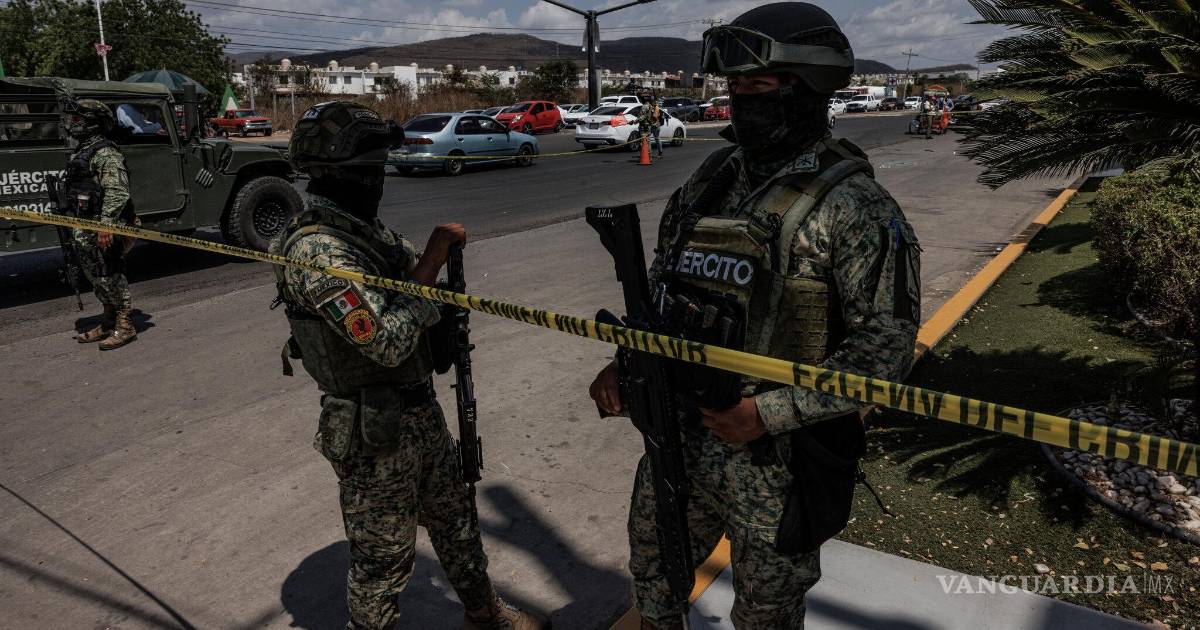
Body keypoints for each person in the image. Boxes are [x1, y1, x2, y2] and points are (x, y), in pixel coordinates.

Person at [589, 3, 921, 628]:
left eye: (758, 85)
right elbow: (664, 288)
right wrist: (626, 362)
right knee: (654, 578)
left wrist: (767, 413)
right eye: (735, 86)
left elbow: (887, 348)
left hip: (778, 461)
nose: (742, 100)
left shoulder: (855, 205)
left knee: (765, 613)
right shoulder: (712, 179)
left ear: (807, 88)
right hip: (679, 438)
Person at [271, 101, 548, 630]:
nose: (378, 181)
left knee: (456, 521)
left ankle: (484, 614)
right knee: (382, 561)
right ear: (333, 174)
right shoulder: (318, 252)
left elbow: (409, 285)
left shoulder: (361, 232)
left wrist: (433, 285)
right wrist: (435, 258)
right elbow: (387, 341)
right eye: (370, 171)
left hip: (417, 412)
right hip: (372, 432)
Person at [60, 98, 138, 350]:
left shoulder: (106, 153)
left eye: (79, 119)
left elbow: (117, 192)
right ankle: (108, 322)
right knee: (96, 277)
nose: (74, 123)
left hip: (103, 228)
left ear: (94, 123)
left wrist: (107, 226)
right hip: (86, 227)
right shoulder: (83, 151)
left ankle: (125, 326)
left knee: (110, 274)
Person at [637, 89, 664, 157]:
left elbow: (654, 116)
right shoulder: (652, 106)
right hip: (653, 125)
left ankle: (655, 153)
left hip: (653, 125)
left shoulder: (653, 107)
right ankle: (650, 154)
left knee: (652, 139)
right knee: (651, 139)